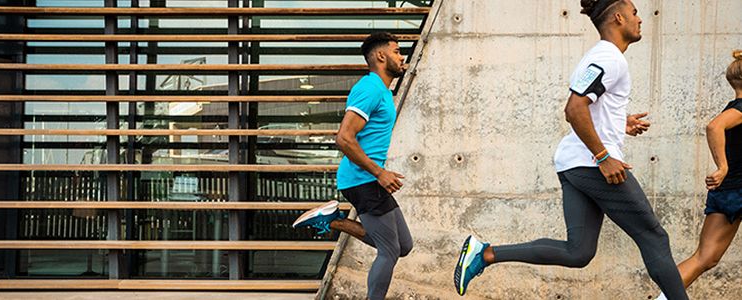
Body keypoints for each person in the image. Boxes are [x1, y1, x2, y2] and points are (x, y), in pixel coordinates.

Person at [453, 1, 689, 299]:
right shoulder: (609, 58)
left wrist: (619, 122)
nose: (640, 20)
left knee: (578, 252)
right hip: (591, 165)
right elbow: (574, 108)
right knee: (653, 237)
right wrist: (603, 156)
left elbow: (588, 106)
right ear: (618, 17)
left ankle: (484, 254)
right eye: (634, 13)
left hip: (574, 163)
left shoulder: (600, 57)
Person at [291, 32, 413, 300]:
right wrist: (379, 172)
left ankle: (333, 220)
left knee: (403, 244)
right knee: (389, 250)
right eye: (396, 51)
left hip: (367, 178)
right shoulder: (369, 88)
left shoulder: (381, 90)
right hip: (363, 180)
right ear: (381, 56)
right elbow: (344, 138)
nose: (401, 56)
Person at [653, 50, 742, 300]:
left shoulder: (733, 107)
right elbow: (714, 126)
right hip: (735, 188)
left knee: (705, 258)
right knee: (705, 257)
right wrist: (722, 166)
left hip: (728, 191)